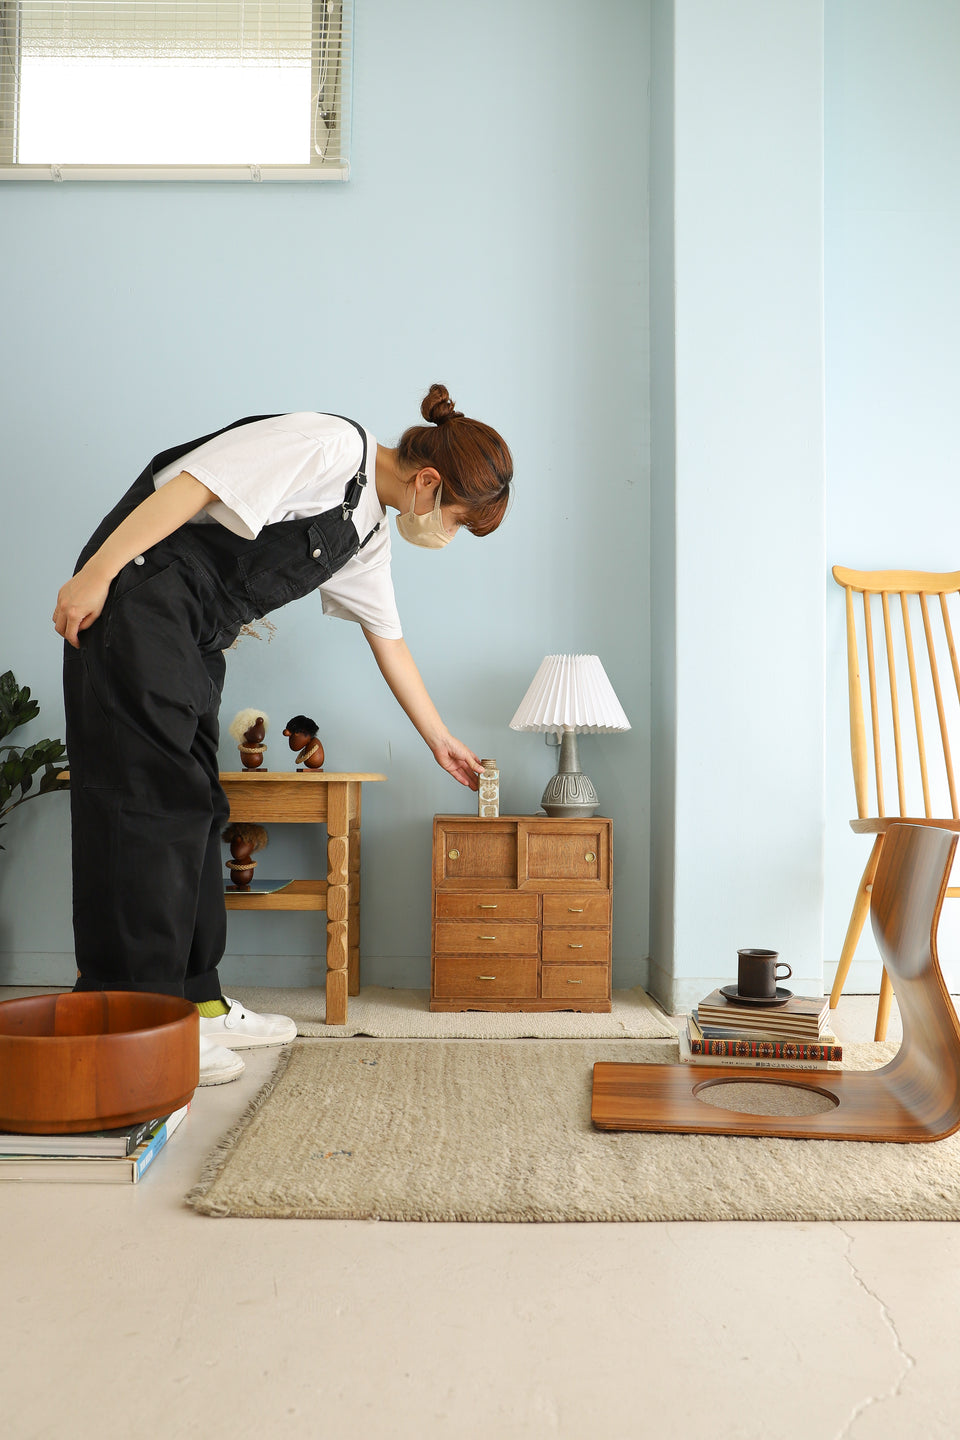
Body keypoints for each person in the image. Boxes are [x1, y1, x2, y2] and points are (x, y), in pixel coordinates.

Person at [53, 384, 512, 1084]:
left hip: (189, 634)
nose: (444, 534)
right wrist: (96, 574)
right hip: (138, 598)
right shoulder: (328, 444)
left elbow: (388, 640)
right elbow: (186, 488)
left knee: (199, 804)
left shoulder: (367, 528)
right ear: (428, 482)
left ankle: (199, 1000)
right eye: (452, 518)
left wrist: (438, 738)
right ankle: (147, 1021)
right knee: (148, 809)